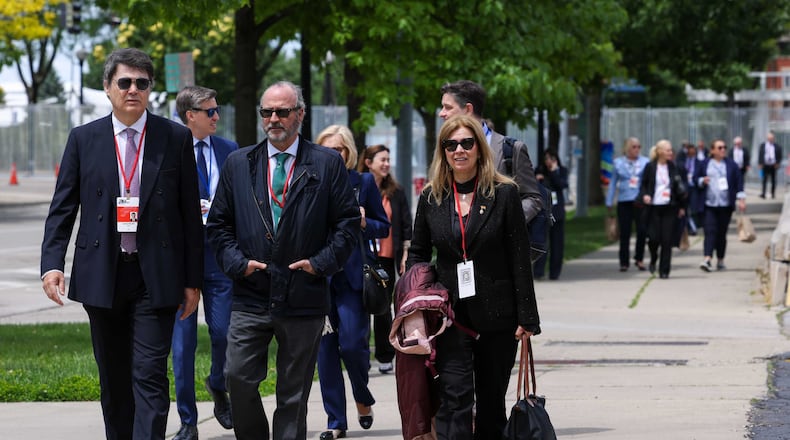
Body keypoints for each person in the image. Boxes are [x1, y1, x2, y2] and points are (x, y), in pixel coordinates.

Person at [40, 48, 203, 440]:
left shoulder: (174, 137)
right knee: (114, 382)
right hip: (103, 275)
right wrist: (52, 263)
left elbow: (188, 217)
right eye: (125, 82)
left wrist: (193, 280)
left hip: (156, 278)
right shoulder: (84, 138)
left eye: (142, 83)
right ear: (108, 87)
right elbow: (63, 207)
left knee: (149, 376)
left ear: (150, 89)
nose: (133, 90)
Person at [205, 81, 360, 440]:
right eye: (267, 112)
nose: (274, 119)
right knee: (238, 377)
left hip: (304, 295)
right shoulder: (238, 163)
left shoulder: (327, 163)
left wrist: (319, 263)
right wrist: (237, 263)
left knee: (293, 393)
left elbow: (347, 225)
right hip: (250, 294)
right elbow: (219, 226)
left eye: (282, 112)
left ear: (300, 115)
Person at [407, 114, 541, 439]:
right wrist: (414, 304)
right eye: (451, 145)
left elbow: (519, 257)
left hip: (498, 316)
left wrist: (528, 317)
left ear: (479, 148)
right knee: (455, 398)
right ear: (443, 152)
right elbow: (418, 255)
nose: (459, 150)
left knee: (492, 404)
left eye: (467, 143)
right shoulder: (431, 197)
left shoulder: (504, 194)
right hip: (450, 317)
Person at [171, 85, 238, 440]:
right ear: (190, 116)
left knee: (223, 332)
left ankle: (217, 383)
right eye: (210, 111)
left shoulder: (229, 151)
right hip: (180, 262)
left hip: (218, 258)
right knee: (181, 348)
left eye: (217, 109)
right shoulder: (168, 150)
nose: (216, 116)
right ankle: (187, 421)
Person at [314, 126, 390, 440]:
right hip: (317, 278)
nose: (333, 156)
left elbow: (382, 227)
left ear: (349, 153)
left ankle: (362, 395)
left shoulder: (364, 182)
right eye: (327, 151)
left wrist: (363, 221)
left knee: (353, 345)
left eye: (339, 151)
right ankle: (335, 421)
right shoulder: (309, 181)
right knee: (326, 352)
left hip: (352, 279)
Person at [438, 80, 543, 226]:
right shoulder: (447, 150)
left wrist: (506, 224)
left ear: (468, 109)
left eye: (448, 107)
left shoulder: (511, 150)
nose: (441, 113)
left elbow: (533, 199)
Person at [358, 144, 413, 375]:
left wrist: (406, 253)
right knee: (360, 304)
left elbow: (405, 224)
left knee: (382, 306)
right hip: (364, 256)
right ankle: (360, 354)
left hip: (387, 256)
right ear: (368, 162)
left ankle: (384, 354)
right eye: (382, 159)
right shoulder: (357, 187)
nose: (386, 164)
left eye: (388, 159)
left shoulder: (396, 191)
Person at [694, 139, 746, 272]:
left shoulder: (731, 165)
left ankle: (721, 259)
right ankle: (707, 259)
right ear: (712, 150)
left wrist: (741, 200)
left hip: (725, 204)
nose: (723, 150)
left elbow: (738, 182)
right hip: (709, 204)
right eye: (719, 148)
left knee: (721, 234)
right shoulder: (704, 164)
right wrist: (702, 180)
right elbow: (695, 178)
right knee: (710, 231)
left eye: (724, 147)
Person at [638, 140, 686, 279]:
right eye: (667, 150)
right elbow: (644, 185)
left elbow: (681, 188)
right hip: (653, 207)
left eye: (671, 150)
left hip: (670, 207)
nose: (670, 153)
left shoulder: (674, 167)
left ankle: (664, 270)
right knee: (653, 238)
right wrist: (646, 195)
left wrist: (682, 206)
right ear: (659, 152)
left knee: (667, 240)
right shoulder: (650, 167)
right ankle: (654, 258)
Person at [605, 137, 650, 271]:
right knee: (625, 232)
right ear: (627, 149)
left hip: (640, 201)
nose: (637, 149)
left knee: (642, 230)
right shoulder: (618, 163)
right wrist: (609, 200)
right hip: (624, 201)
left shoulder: (645, 162)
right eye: (633, 147)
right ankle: (624, 262)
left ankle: (639, 258)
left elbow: (648, 181)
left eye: (638, 147)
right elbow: (613, 183)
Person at [534, 149, 568, 280]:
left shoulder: (561, 171)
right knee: (542, 242)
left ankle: (555, 273)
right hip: (543, 211)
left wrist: (554, 172)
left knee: (557, 244)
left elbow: (562, 184)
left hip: (557, 212)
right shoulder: (539, 171)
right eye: (546, 159)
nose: (549, 162)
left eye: (551, 158)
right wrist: (538, 179)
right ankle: (538, 271)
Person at [758, 132, 783, 199]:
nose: (770, 139)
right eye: (769, 138)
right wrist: (760, 163)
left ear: (773, 139)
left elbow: (780, 156)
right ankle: (763, 193)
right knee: (764, 179)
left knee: (773, 180)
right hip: (765, 165)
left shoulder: (777, 146)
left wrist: (778, 163)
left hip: (773, 165)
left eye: (772, 138)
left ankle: (772, 193)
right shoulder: (763, 145)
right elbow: (760, 154)